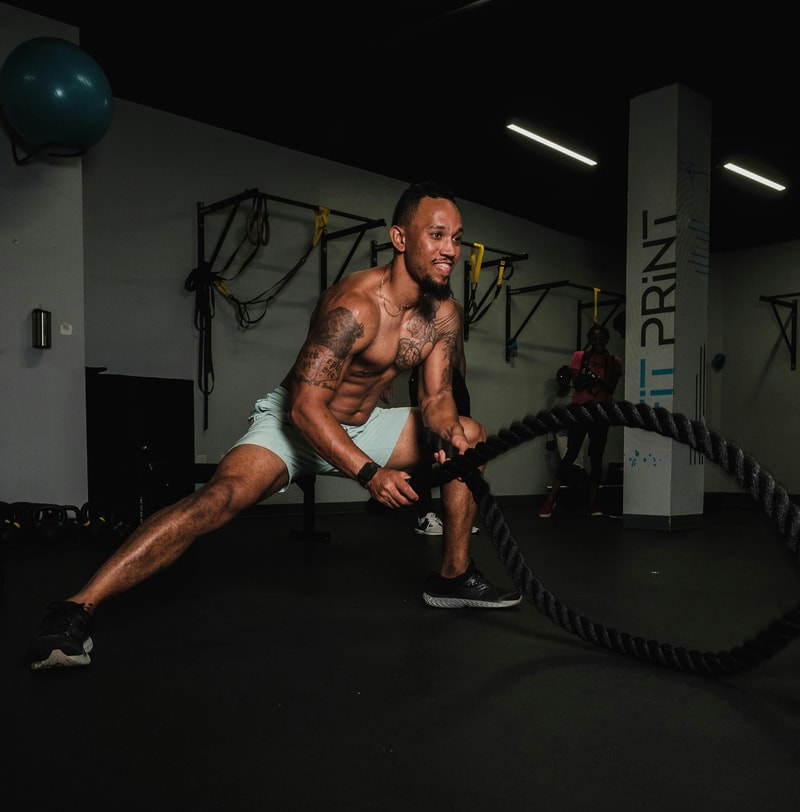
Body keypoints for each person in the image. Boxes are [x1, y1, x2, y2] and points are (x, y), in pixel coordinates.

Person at [29, 181, 522, 670]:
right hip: (295, 425)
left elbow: (436, 396)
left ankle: (453, 575)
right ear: (399, 238)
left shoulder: (442, 314)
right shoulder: (354, 306)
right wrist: (369, 474)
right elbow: (305, 408)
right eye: (437, 235)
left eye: (456, 238)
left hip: (365, 423)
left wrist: (448, 430)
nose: (450, 249)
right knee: (216, 500)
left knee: (470, 433)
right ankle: (75, 608)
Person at [407, 301, 478, 537]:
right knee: (425, 447)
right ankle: (424, 514)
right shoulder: (421, 307)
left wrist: (461, 386)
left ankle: (456, 517)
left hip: (454, 380)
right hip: (426, 377)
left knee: (463, 445)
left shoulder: (455, 309)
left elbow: (459, 352)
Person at [538, 323, 622, 519]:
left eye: (601, 338)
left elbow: (611, 388)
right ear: (590, 340)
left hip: (601, 413)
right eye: (594, 339)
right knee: (571, 454)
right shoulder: (580, 357)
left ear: (606, 340)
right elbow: (578, 383)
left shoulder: (613, 362)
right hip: (581, 412)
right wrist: (594, 380)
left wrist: (595, 380)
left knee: (597, 457)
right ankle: (550, 500)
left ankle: (593, 503)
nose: (598, 342)